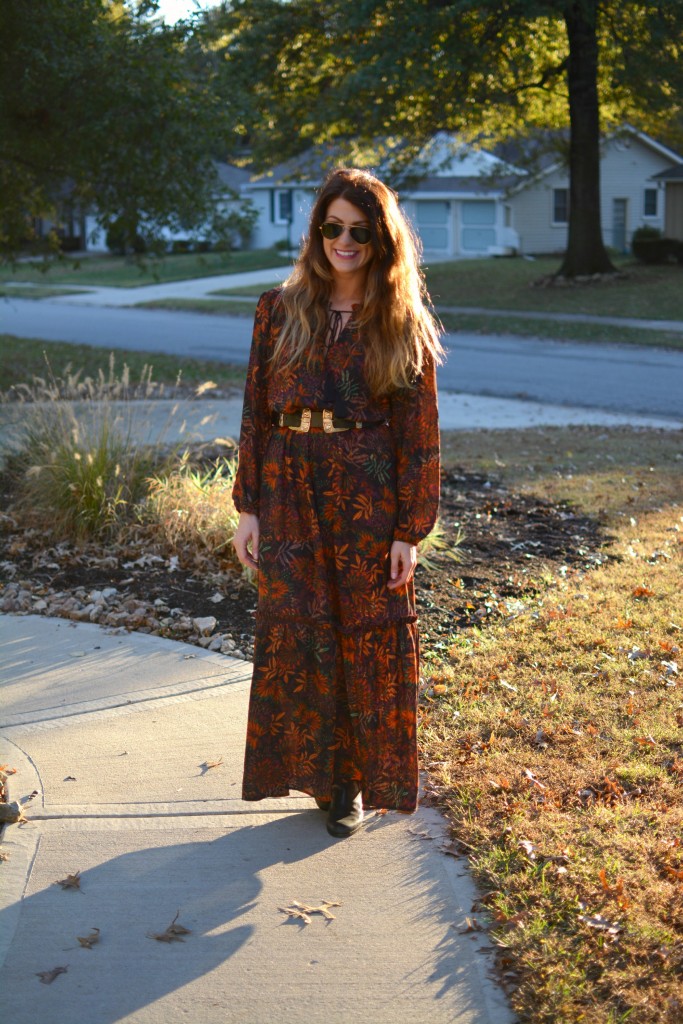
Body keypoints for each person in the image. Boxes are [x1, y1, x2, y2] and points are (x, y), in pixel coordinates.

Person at [232, 167, 443, 838]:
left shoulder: (398, 319)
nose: (343, 241)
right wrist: (248, 506)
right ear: (315, 231)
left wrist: (409, 530)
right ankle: (319, 778)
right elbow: (254, 415)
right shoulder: (279, 309)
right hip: (289, 489)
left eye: (358, 230)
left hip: (367, 498)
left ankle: (349, 785)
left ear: (380, 239)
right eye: (331, 227)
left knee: (363, 643)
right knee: (302, 639)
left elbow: (420, 434)